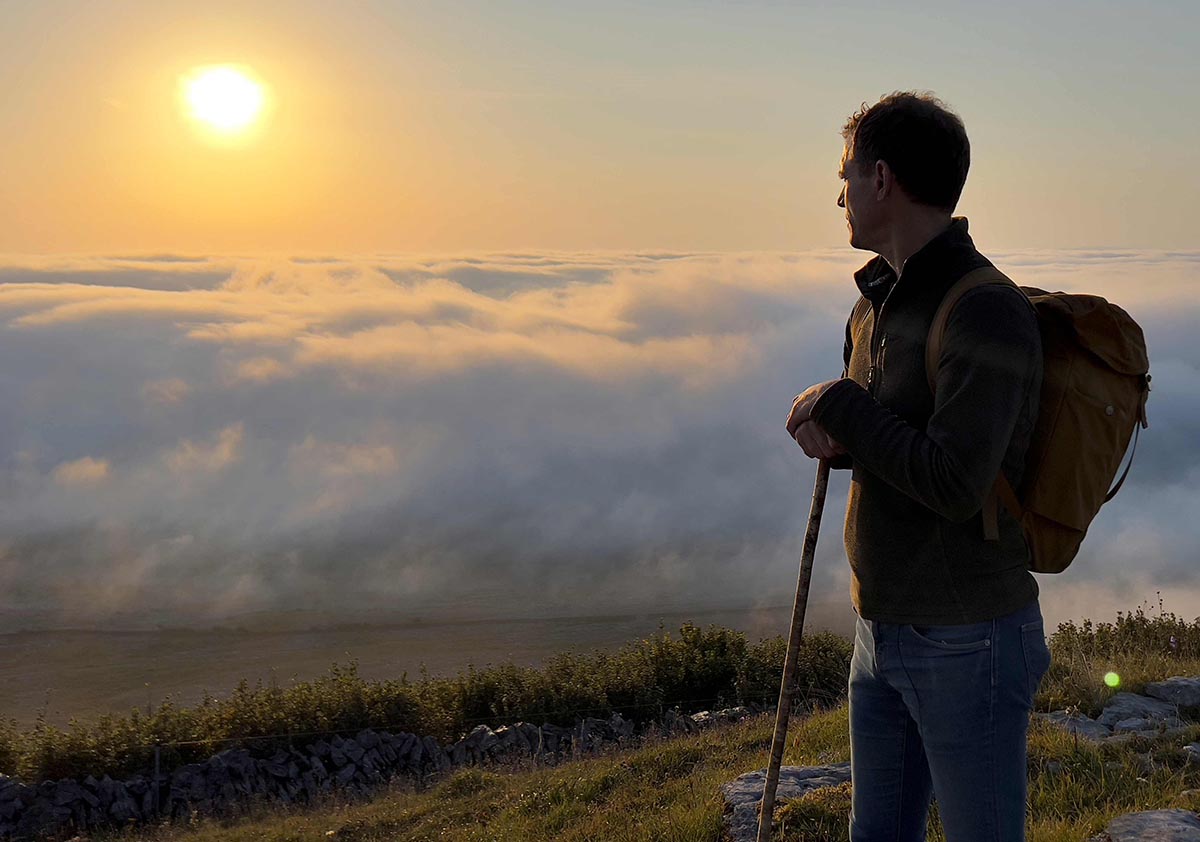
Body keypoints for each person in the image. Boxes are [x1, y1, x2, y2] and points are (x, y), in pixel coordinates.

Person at [784, 92, 1053, 841]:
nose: (839, 194)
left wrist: (841, 405)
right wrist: (839, 441)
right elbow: (897, 443)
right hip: (883, 628)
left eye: (846, 173)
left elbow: (955, 483)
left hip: (969, 638)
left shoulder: (984, 309)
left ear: (882, 180)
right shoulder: (874, 305)